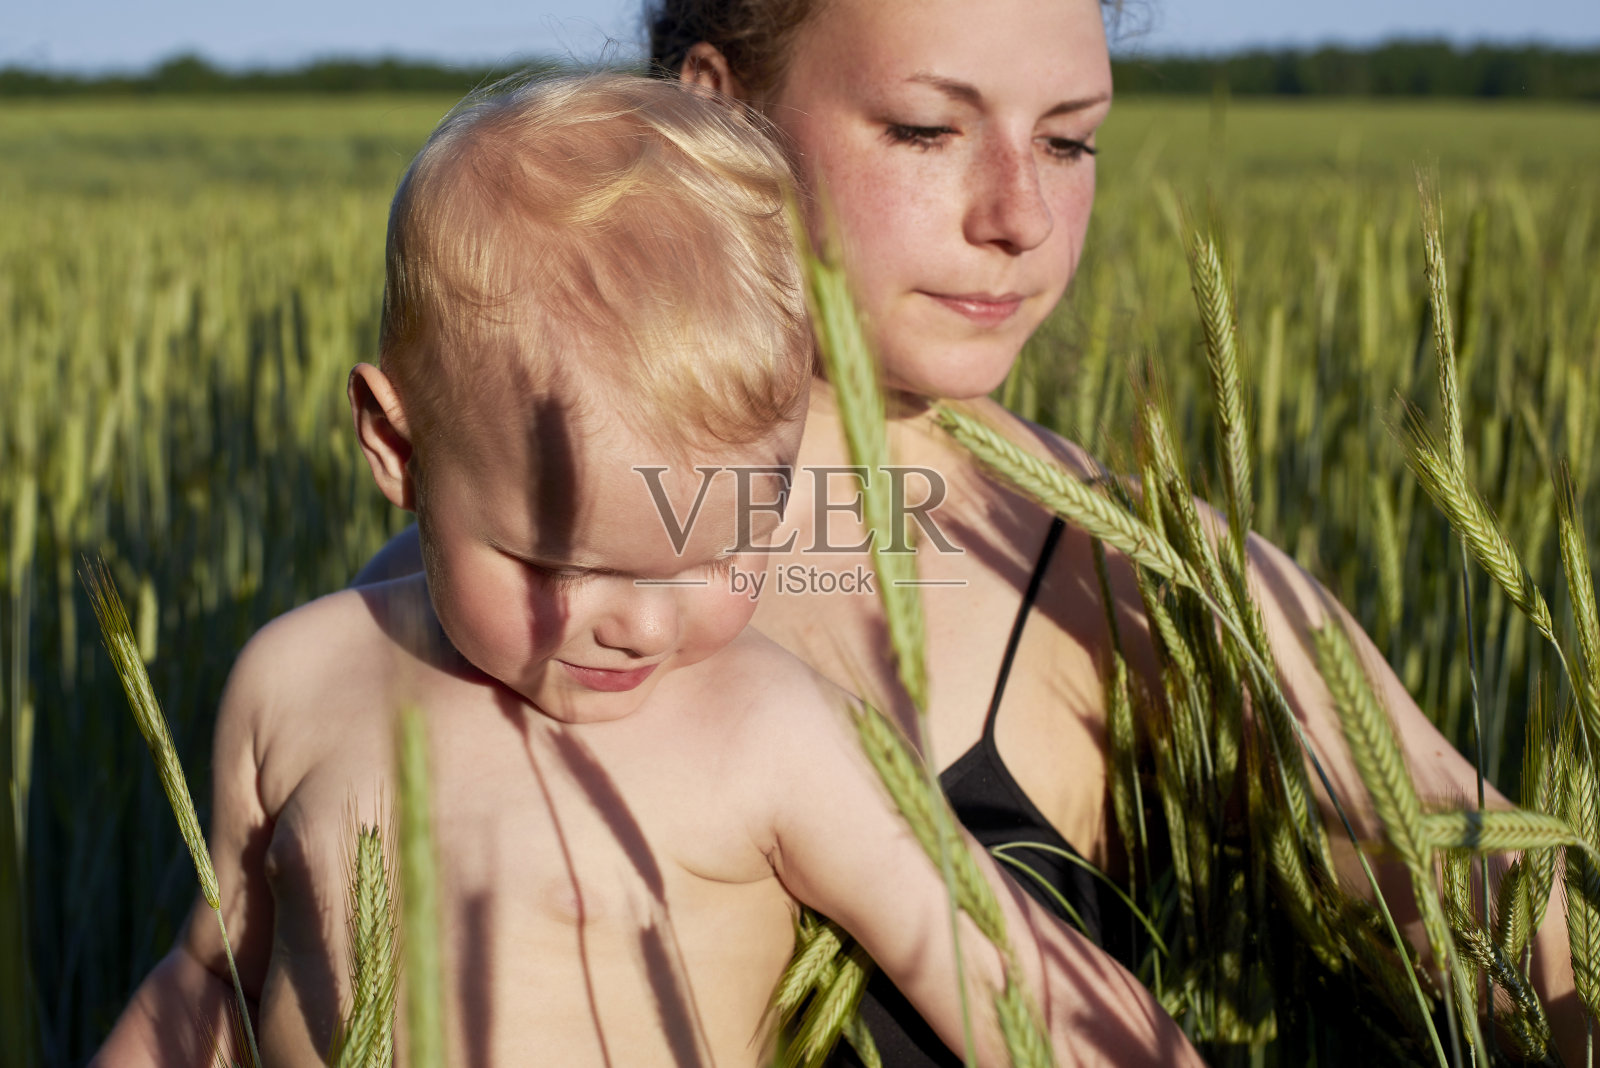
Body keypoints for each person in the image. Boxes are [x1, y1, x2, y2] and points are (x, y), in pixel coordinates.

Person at [354, 3, 1584, 1064]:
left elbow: (1499, 912)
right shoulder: (459, 581)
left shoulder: (1135, 575)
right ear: (720, 108)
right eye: (927, 130)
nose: (1020, 217)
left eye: (1068, 140)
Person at [92, 73, 1202, 1068]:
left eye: (720, 549)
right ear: (398, 444)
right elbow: (214, 975)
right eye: (556, 562)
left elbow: (1003, 976)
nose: (637, 625)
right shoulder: (298, 680)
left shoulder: (771, 729)